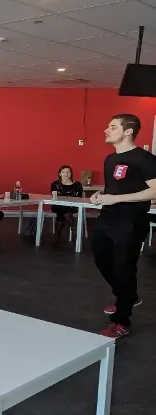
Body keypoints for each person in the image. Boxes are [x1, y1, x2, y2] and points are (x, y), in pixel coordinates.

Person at [90, 114, 156, 338]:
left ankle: (121, 320)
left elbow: (155, 191)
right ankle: (128, 295)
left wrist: (116, 199)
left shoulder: (145, 159)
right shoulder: (110, 159)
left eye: (112, 127)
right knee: (101, 259)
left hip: (131, 221)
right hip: (107, 218)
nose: (106, 130)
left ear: (128, 131)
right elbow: (115, 188)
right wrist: (101, 194)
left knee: (123, 268)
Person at [50, 165, 84, 243]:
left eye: (68, 172)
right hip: (58, 205)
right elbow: (55, 196)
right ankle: (73, 225)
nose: (66, 174)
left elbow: (78, 197)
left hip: (73, 206)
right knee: (62, 210)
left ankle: (57, 235)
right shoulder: (55, 184)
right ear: (60, 174)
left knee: (61, 213)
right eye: (63, 172)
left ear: (71, 173)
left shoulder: (78, 184)